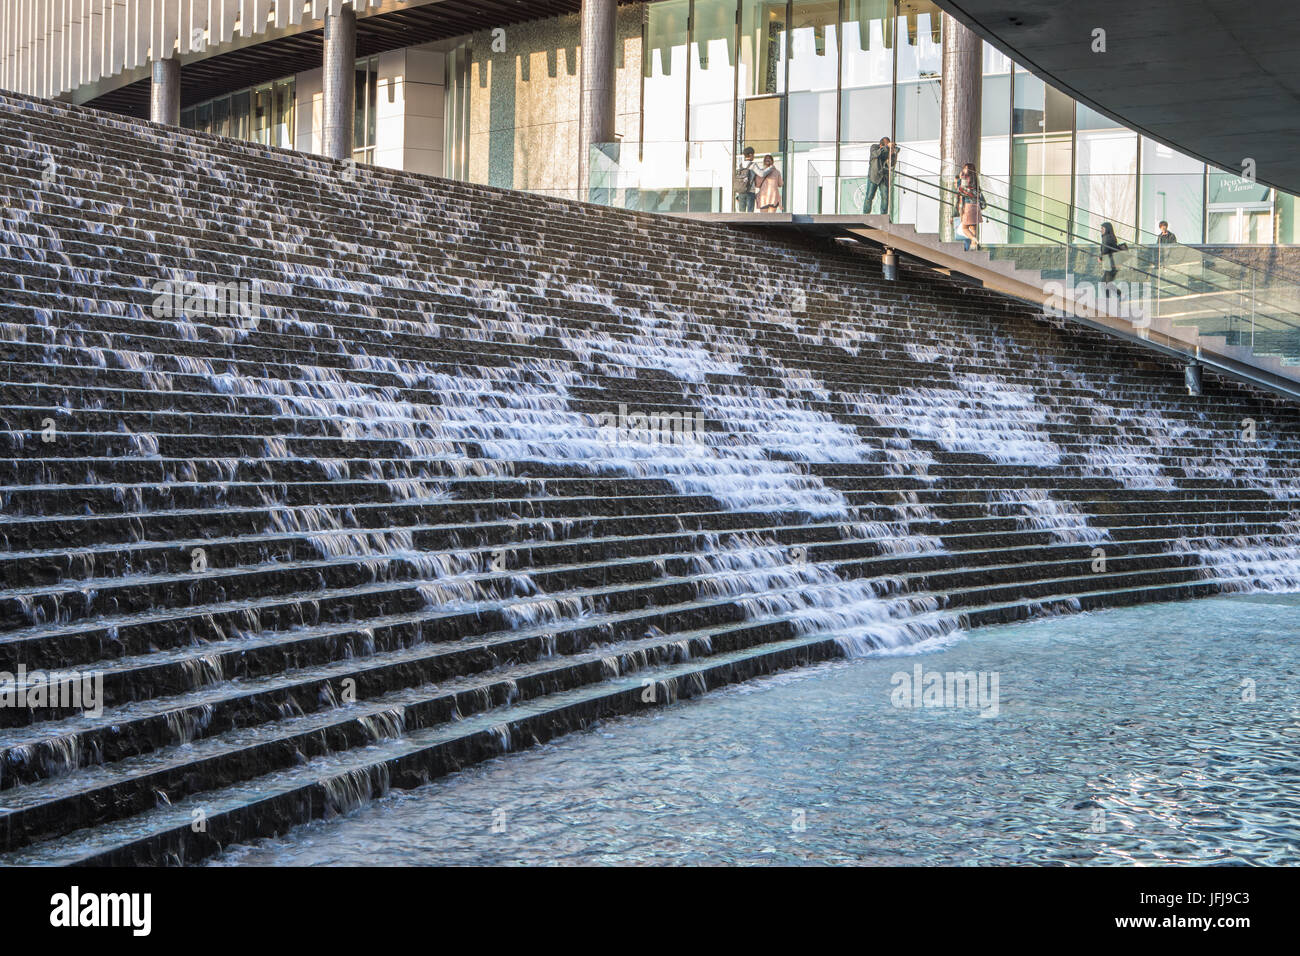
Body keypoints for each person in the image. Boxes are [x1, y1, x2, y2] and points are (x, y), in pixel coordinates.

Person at [1098, 221, 1129, 307]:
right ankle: (1119, 296)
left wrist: (1100, 257)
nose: (1101, 230)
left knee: (1105, 283)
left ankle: (1111, 300)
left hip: (1112, 264)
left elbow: (1105, 250)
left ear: (1107, 229)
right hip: (1112, 264)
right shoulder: (1110, 237)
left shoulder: (1107, 238)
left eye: (1102, 228)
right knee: (1106, 283)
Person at [863, 137, 897, 215]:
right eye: (886, 146)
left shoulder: (889, 151)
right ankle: (865, 214)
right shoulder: (874, 147)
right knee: (869, 196)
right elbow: (875, 154)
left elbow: (891, 164)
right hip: (874, 176)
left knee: (885, 197)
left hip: (884, 177)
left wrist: (893, 154)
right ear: (881, 145)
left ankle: (883, 216)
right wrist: (887, 147)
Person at [954, 162, 982, 250]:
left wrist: (960, 178)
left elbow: (960, 189)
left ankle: (973, 239)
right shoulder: (975, 179)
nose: (963, 169)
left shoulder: (966, 178)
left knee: (965, 228)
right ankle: (973, 245)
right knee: (972, 227)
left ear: (968, 169)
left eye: (965, 168)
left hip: (969, 206)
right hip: (976, 205)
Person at [734, 147, 759, 213]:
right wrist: (769, 169)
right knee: (750, 213)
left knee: (741, 212)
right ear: (750, 155)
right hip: (750, 191)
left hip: (741, 191)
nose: (753, 156)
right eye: (753, 155)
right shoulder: (753, 164)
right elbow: (761, 174)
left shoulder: (740, 165)